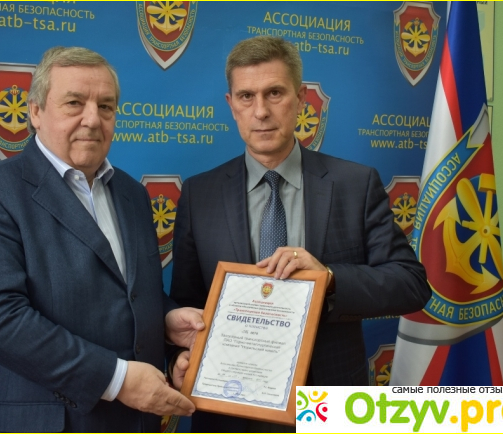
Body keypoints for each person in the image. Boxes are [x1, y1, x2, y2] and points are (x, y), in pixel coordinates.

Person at [169, 36, 431, 432]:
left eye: (274, 93)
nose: (261, 111)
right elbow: (185, 304)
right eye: (246, 96)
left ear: (301, 98)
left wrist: (329, 278)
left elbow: (411, 285)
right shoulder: (198, 194)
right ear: (231, 105)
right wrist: (179, 358)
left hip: (329, 406)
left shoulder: (355, 184)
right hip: (229, 407)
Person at [0, 46, 204, 433]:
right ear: (35, 112)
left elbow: (129, 294)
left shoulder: (133, 195)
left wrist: (166, 319)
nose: (93, 119)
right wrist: (117, 380)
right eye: (74, 103)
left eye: (106, 106)